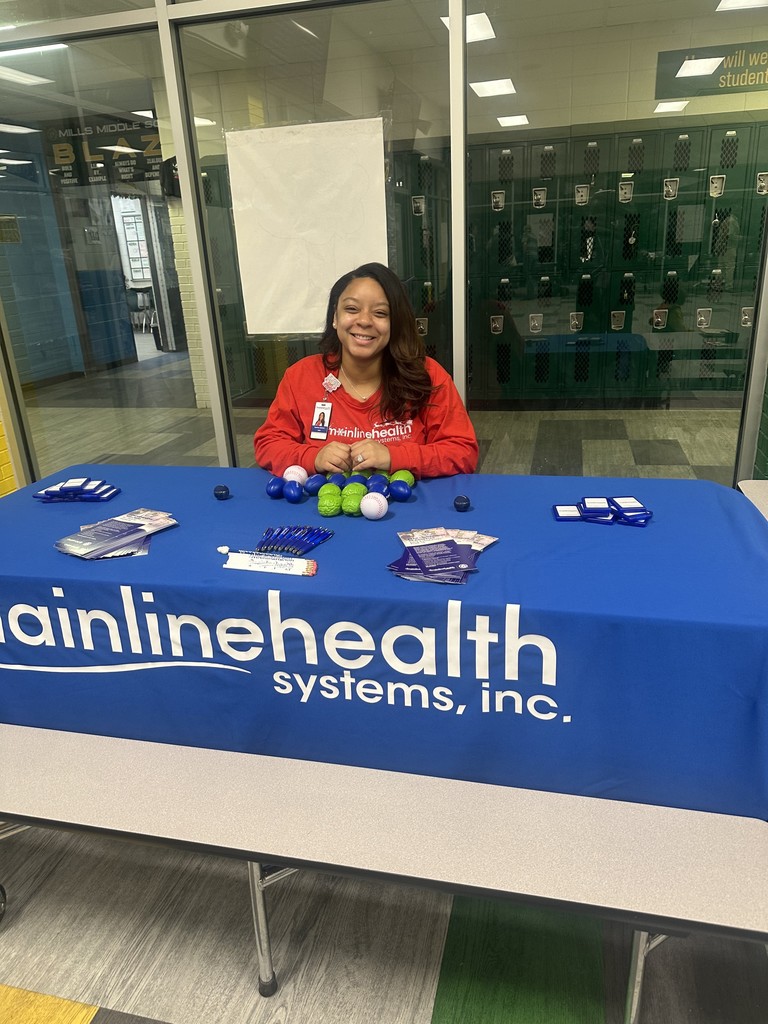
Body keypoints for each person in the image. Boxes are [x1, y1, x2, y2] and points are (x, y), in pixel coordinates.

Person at [254, 262, 478, 478]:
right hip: (322, 512)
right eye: (351, 309)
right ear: (335, 317)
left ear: (395, 322)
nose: (364, 321)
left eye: (380, 313)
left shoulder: (427, 375)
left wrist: (393, 456)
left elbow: (462, 451)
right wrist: (313, 457)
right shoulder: (301, 376)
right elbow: (268, 444)